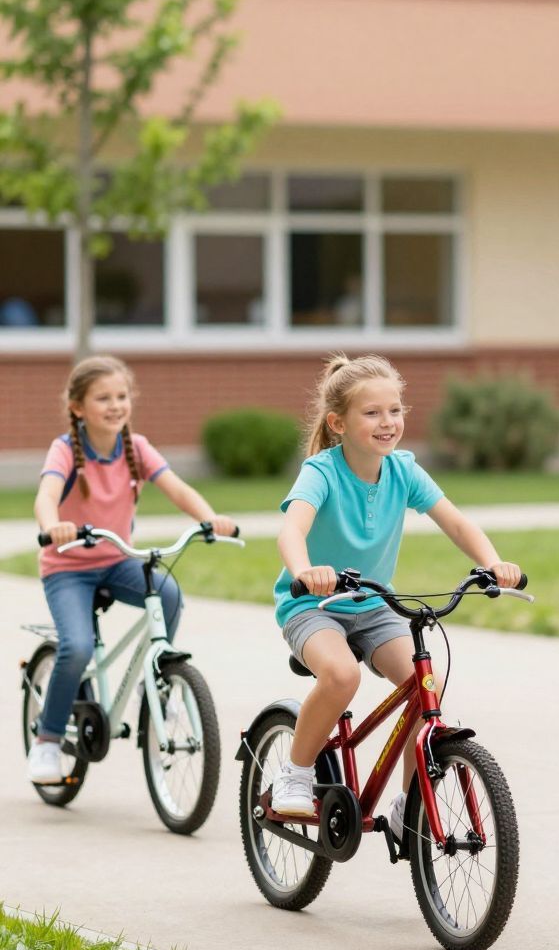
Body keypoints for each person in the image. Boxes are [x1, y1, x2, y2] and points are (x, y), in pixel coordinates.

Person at [272, 354, 524, 836]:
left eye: (395, 410)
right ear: (337, 423)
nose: (387, 422)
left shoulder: (404, 470)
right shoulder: (321, 472)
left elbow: (455, 520)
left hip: (373, 604)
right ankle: (296, 774)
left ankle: (409, 806)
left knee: (425, 684)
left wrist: (492, 563)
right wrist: (305, 571)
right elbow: (292, 530)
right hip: (313, 604)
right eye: (372, 413)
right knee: (342, 675)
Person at [29, 356, 237, 785]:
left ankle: (155, 683)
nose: (115, 405)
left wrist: (210, 518)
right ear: (78, 407)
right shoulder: (66, 448)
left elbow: (176, 487)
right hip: (67, 568)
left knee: (170, 593)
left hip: (117, 559)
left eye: (121, 396)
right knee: (78, 648)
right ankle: (48, 742)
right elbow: (46, 496)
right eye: (103, 398)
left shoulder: (136, 447)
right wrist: (53, 527)